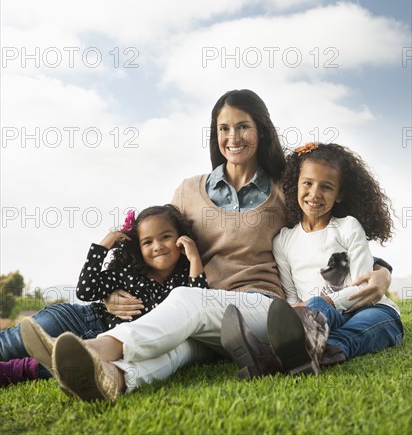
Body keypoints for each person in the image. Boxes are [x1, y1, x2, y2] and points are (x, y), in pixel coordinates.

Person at [21, 90, 392, 401]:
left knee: (186, 300)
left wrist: (380, 270)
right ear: (214, 134)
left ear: (260, 132)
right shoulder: (187, 190)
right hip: (206, 319)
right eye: (224, 128)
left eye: (243, 126)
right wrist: (111, 291)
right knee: (178, 349)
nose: (234, 137)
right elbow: (158, 248)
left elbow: (325, 238)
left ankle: (95, 348)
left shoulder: (284, 190)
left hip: (259, 310)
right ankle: (110, 379)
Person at [222, 142, 404, 378]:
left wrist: (321, 303)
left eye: (326, 187)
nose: (315, 193)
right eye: (307, 183)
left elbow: (361, 287)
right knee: (313, 310)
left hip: (370, 310)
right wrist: (304, 308)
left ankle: (268, 357)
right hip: (316, 322)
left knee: (343, 316)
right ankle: (304, 351)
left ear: (339, 195)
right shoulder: (284, 240)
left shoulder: (348, 227)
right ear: (295, 185)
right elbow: (291, 297)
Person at [1, 205, 208, 387]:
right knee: (9, 345)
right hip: (77, 320)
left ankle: (13, 371)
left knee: (73, 365)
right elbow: (86, 290)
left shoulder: (182, 281)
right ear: (138, 247)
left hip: (107, 346)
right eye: (147, 242)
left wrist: (194, 257)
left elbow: (198, 303)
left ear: (180, 238)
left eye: (166, 237)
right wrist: (103, 246)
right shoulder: (130, 272)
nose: (157, 246)